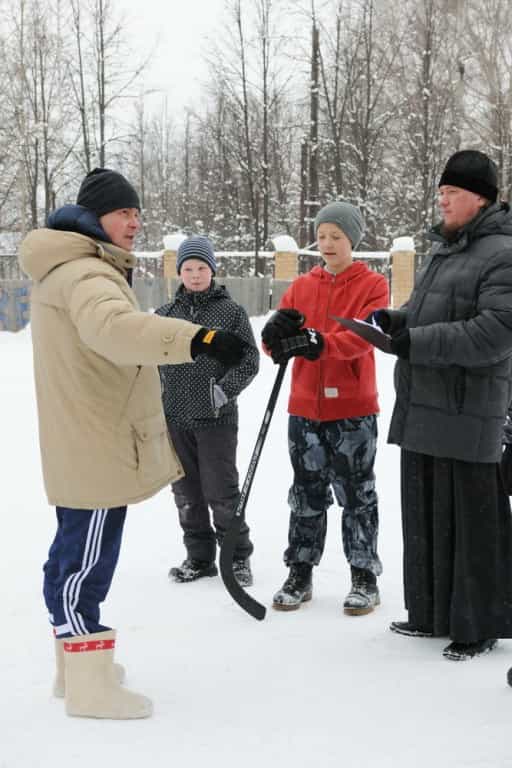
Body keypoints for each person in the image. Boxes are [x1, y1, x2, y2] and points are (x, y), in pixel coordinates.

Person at [19, 168, 246, 719]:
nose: (135, 223)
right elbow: (116, 332)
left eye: (138, 214)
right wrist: (200, 338)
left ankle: (72, 669)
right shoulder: (88, 275)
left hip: (84, 435)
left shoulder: (69, 268)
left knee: (74, 551)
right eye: (125, 213)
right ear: (96, 217)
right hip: (96, 440)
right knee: (84, 561)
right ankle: (88, 684)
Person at [372, 149, 512, 661]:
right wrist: (394, 321)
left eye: (451, 193)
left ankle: (477, 624)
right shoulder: (446, 250)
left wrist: (417, 342)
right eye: (441, 192)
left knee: (471, 522)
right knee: (426, 513)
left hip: (468, 409)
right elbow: (423, 309)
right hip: (425, 405)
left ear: (480, 198)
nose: (443, 201)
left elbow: (492, 335)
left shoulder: (503, 252)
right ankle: (431, 612)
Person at [261, 201, 389, 614]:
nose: (327, 243)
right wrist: (273, 335)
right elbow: (276, 345)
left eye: (336, 236)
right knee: (305, 493)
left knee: (357, 495)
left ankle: (364, 576)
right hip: (304, 410)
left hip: (352, 411)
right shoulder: (302, 286)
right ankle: (300, 571)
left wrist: (322, 343)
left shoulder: (372, 286)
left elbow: (364, 337)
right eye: (321, 236)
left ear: (353, 239)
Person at [155, 236, 259, 586]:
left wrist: (222, 392)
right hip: (175, 418)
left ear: (213, 270)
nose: (195, 275)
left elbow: (250, 360)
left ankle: (237, 556)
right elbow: (152, 359)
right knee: (186, 492)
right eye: (188, 268)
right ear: (179, 272)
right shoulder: (165, 315)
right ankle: (199, 557)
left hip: (216, 419)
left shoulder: (230, 313)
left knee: (221, 491)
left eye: (201, 268)